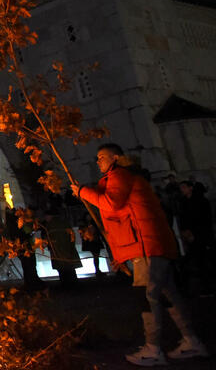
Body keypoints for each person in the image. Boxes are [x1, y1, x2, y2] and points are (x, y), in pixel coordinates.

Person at [72, 143, 209, 365]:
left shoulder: (120, 175)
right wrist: (119, 255)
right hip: (151, 244)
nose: (98, 161)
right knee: (168, 295)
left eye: (102, 157)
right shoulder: (123, 178)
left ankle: (153, 349)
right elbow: (119, 218)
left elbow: (112, 204)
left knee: (147, 296)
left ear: (116, 158)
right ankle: (191, 341)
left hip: (146, 245)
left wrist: (82, 192)